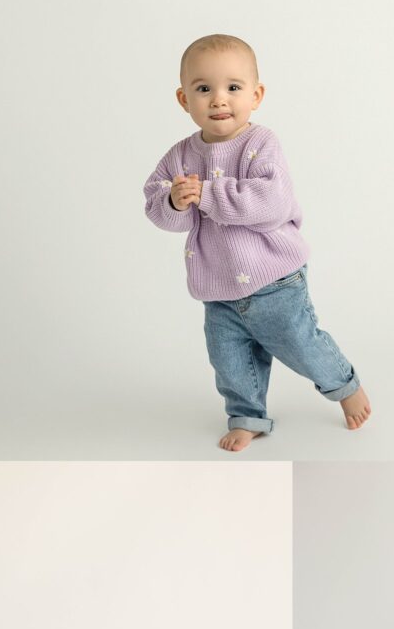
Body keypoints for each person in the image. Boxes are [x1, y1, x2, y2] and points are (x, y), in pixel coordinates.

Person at [143, 33, 371, 451]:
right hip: (218, 289)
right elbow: (157, 207)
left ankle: (344, 385)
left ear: (256, 94)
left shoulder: (260, 144)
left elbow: (271, 203)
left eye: (233, 87)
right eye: (203, 88)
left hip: (275, 281)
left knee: (302, 344)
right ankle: (247, 415)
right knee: (230, 360)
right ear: (183, 99)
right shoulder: (180, 156)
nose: (218, 100)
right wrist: (174, 201)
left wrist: (209, 195)